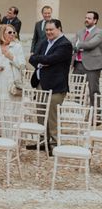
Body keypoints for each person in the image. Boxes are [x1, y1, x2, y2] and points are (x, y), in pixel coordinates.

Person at [29, 19, 72, 151]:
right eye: (47, 30)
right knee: (41, 114)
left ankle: (54, 144)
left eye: (51, 29)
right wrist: (43, 61)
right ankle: (43, 142)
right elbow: (32, 58)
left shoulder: (65, 44)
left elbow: (52, 59)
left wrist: (41, 60)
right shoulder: (43, 42)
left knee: (52, 117)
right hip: (41, 83)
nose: (48, 32)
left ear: (59, 28)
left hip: (56, 86)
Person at [0, 24, 26, 137]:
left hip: (9, 83)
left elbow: (22, 65)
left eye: (13, 32)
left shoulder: (17, 47)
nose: (12, 35)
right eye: (9, 32)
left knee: (9, 109)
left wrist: (11, 57)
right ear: (2, 33)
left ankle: (9, 135)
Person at [72, 11, 102, 106]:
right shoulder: (79, 32)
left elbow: (91, 44)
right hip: (78, 64)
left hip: (92, 65)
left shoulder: (99, 32)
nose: (86, 20)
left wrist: (79, 44)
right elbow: (72, 43)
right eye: (86, 18)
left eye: (89, 18)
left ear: (95, 20)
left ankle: (96, 115)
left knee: (93, 90)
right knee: (77, 90)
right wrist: (77, 45)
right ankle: (78, 113)